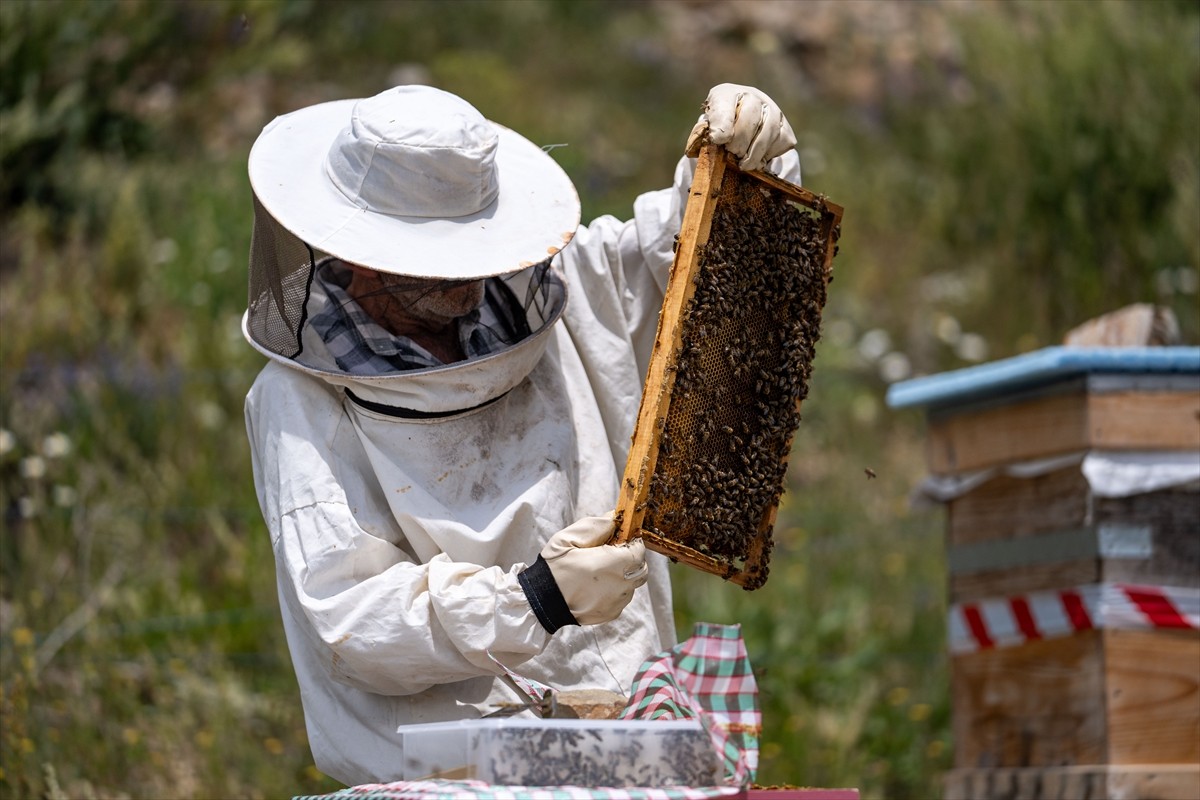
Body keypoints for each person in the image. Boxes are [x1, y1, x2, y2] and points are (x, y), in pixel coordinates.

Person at [242, 82, 800, 785]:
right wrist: (536, 597)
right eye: (431, 259)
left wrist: (749, 164)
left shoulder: (565, 295)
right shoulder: (299, 400)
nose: (464, 276)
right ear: (351, 254)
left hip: (628, 734)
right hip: (443, 770)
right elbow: (352, 620)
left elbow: (694, 254)